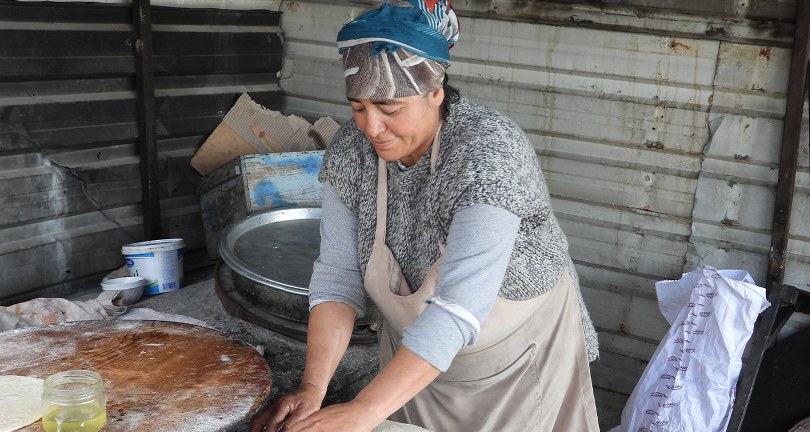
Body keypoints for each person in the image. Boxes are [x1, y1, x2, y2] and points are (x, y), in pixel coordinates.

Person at [249, 0, 600, 430]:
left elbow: (459, 307)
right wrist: (313, 389)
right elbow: (338, 276)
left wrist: (364, 410)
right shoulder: (351, 151)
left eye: (391, 110)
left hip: (516, 357)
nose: (371, 127)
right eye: (358, 108)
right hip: (413, 364)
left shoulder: (488, 152)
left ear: (436, 94)